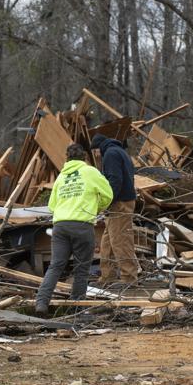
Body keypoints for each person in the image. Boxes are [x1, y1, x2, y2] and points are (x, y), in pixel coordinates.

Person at [35, 144, 113, 315]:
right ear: (84, 157)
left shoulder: (61, 177)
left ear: (68, 159)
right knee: (81, 269)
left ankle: (41, 302)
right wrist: (97, 208)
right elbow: (108, 194)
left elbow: (52, 205)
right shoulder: (90, 172)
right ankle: (76, 308)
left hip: (60, 226)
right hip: (82, 225)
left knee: (56, 266)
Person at [90, 133, 139, 285]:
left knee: (120, 240)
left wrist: (106, 202)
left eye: (95, 152)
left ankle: (129, 277)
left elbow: (115, 180)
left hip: (119, 203)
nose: (96, 155)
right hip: (121, 201)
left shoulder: (110, 154)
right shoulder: (120, 151)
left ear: (98, 148)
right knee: (108, 241)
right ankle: (107, 275)